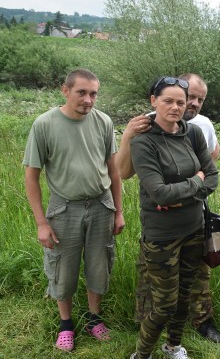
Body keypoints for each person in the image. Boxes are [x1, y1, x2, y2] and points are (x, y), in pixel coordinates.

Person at [117, 73, 220, 343]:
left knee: (198, 277)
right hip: (162, 225)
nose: (193, 104)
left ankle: (200, 323)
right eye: (191, 98)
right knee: (152, 281)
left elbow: (211, 167)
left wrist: (189, 190)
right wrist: (127, 136)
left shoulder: (201, 127)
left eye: (198, 99)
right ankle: (147, 329)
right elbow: (127, 173)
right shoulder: (145, 127)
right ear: (158, 100)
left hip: (196, 216)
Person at [23, 68, 125, 352]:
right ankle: (66, 324)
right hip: (64, 207)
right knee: (62, 269)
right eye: (81, 92)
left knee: (99, 264)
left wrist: (118, 211)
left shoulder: (104, 122)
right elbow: (31, 176)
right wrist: (42, 223)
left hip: (101, 204)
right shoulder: (44, 124)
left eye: (94, 93)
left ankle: (94, 318)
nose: (88, 100)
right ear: (65, 90)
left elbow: (114, 172)